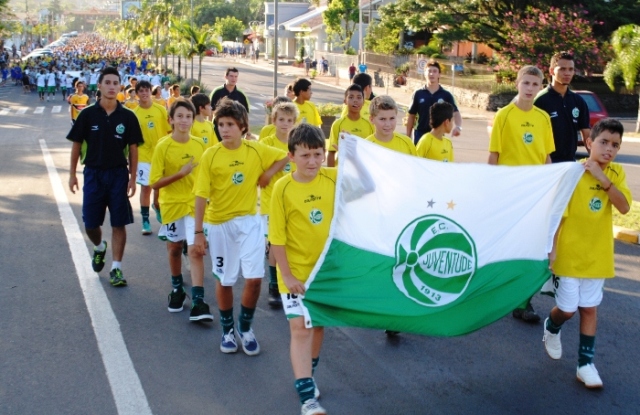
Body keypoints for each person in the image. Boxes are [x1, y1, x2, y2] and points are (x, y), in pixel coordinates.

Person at [193, 98, 288, 355]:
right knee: (225, 280)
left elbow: (287, 155)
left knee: (255, 279)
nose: (225, 129)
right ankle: (227, 330)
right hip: (219, 224)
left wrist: (268, 173)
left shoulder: (256, 150)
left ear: (243, 127)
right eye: (221, 124)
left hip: (249, 222)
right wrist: (198, 232)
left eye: (231, 124)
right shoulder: (211, 155)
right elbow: (201, 195)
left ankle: (245, 328)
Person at [543, 118, 631, 389]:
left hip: (598, 256)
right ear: (589, 142)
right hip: (570, 255)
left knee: (589, 309)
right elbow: (557, 216)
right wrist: (552, 250)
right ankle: (552, 326)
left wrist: (603, 179)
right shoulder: (573, 175)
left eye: (615, 145)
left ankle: (585, 364)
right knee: (568, 309)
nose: (609, 149)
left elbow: (625, 207)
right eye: (603, 142)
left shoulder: (615, 174)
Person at [270, 123, 335, 415]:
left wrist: (356, 152)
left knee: (317, 325)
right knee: (299, 328)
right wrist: (286, 275)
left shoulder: (334, 179)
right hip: (293, 272)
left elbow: (372, 185)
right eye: (305, 155)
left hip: (325, 273)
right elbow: (277, 239)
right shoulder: (282, 188)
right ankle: (307, 398)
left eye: (317, 154)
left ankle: (309, 375)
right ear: (291, 156)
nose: (312, 161)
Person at [488, 65, 555, 321]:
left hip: (535, 192)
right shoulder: (504, 115)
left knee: (532, 247)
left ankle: (523, 302)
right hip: (509, 191)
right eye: (525, 83)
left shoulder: (542, 118)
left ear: (540, 87)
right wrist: (490, 187)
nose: (529, 89)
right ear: (517, 83)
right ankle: (497, 291)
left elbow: (546, 155)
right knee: (507, 245)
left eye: (535, 85)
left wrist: (551, 185)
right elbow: (494, 154)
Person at [67, 66, 144, 287]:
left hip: (118, 174)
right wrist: (72, 174)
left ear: (120, 86)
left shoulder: (128, 116)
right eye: (107, 82)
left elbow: (133, 148)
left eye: (115, 83)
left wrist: (132, 177)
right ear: (99, 85)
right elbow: (76, 145)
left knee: (119, 223)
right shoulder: (87, 114)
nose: (111, 87)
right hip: (93, 174)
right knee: (91, 223)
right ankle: (100, 247)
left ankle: (116, 269)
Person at [149, 98, 212, 321]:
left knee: (196, 250)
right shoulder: (163, 146)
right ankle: (177, 289)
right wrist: (180, 174)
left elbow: (205, 178)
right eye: (180, 116)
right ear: (171, 120)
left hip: (194, 205)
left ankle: (198, 300)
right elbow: (154, 182)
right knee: (175, 248)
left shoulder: (199, 145)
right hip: (173, 205)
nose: (184, 121)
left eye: (188, 116)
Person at [259, 102, 299, 307]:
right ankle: (274, 285)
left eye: (290, 121)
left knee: (290, 244)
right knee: (277, 242)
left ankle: (290, 282)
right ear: (274, 121)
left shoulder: (299, 142)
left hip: (293, 202)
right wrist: (286, 158)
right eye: (281, 120)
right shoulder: (266, 143)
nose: (285, 124)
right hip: (270, 202)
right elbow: (263, 178)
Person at [534, 51, 591, 163]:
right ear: (551, 71)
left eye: (571, 69)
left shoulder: (578, 102)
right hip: (545, 164)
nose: (567, 73)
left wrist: (594, 160)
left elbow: (587, 136)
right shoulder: (540, 100)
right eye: (562, 69)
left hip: (570, 163)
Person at [133, 80, 171, 235]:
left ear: (150, 91)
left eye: (146, 90)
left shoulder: (161, 110)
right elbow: (133, 141)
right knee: (146, 187)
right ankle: (145, 220)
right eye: (141, 91)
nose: (144, 93)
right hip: (144, 156)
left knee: (160, 186)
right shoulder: (134, 114)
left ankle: (157, 205)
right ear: (137, 94)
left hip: (161, 155)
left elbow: (169, 132)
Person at [406, 60, 462, 145]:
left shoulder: (446, 95)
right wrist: (408, 136)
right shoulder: (418, 94)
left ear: (439, 74)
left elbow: (456, 113)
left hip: (438, 136)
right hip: (420, 135)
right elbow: (411, 115)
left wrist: (458, 127)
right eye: (429, 71)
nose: (432, 74)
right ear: (425, 73)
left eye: (435, 71)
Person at [327, 84, 375, 167]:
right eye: (351, 97)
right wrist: (330, 175)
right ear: (345, 101)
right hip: (343, 170)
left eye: (359, 97)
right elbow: (331, 152)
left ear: (364, 102)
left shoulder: (370, 125)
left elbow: (373, 152)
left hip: (363, 170)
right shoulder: (337, 124)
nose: (355, 100)